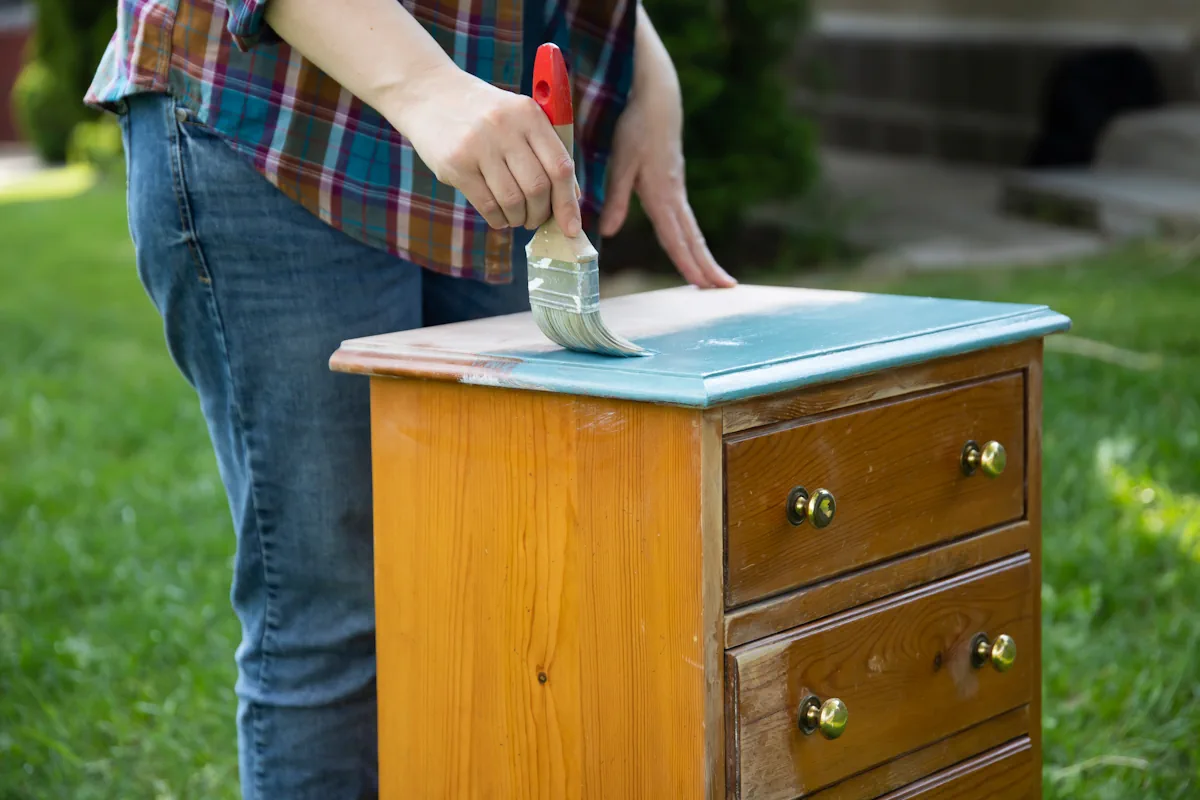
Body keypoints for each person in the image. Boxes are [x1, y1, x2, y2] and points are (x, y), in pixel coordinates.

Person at [86, 0, 734, 796]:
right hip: (279, 122)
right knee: (335, 619)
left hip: (484, 142)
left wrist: (643, 64)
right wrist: (425, 87)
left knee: (500, 596)